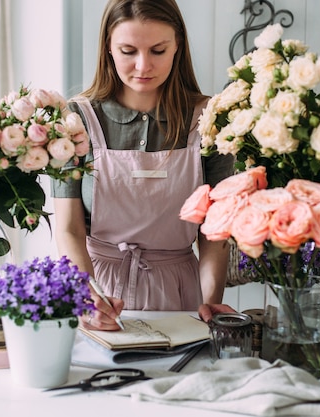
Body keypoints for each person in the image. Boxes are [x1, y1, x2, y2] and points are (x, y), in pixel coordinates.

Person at [52, 0, 234, 330]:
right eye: (128, 50)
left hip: (180, 293)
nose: (143, 65)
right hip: (95, 286)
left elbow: (212, 232)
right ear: (108, 46)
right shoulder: (77, 117)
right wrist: (87, 295)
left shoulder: (208, 119)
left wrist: (209, 303)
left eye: (158, 50)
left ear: (178, 46)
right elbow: (69, 229)